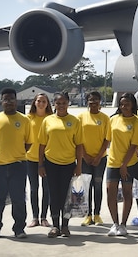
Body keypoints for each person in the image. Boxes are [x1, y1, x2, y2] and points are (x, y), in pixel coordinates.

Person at [0, 88, 32, 240]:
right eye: (6, 99)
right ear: (1, 101)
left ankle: (19, 229)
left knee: (18, 199)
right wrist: (2, 155)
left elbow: (29, 143)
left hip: (18, 165)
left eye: (11, 99)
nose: (9, 102)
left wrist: (16, 154)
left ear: (16, 101)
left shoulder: (24, 120)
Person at [38, 92, 84, 238]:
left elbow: (79, 145)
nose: (61, 106)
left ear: (68, 103)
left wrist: (79, 165)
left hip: (69, 164)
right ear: (54, 104)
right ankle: (55, 226)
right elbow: (41, 145)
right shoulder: (48, 121)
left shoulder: (75, 121)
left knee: (67, 196)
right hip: (51, 163)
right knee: (54, 195)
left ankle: (65, 225)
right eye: (58, 103)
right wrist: (40, 165)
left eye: (64, 103)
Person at [106, 92, 138, 237]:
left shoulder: (137, 122)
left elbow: (134, 146)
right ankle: (114, 223)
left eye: (127, 104)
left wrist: (124, 165)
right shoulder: (113, 120)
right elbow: (109, 140)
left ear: (133, 105)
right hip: (112, 162)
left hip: (129, 164)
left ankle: (123, 224)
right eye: (121, 104)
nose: (124, 107)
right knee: (111, 193)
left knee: (127, 193)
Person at [79, 91, 111, 227]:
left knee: (97, 186)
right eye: (91, 100)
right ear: (87, 102)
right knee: (86, 187)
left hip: (100, 159)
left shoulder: (105, 118)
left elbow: (107, 139)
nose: (93, 102)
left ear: (100, 102)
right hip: (84, 158)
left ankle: (97, 214)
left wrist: (98, 157)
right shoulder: (81, 117)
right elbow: (78, 139)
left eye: (96, 100)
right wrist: (85, 155)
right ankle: (88, 215)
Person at [25, 93, 52, 228]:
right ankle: (35, 217)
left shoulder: (51, 118)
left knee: (46, 189)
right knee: (34, 188)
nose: (41, 103)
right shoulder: (28, 118)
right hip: (30, 159)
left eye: (44, 101)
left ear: (47, 104)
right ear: (34, 103)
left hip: (47, 159)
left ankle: (44, 217)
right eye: (39, 101)